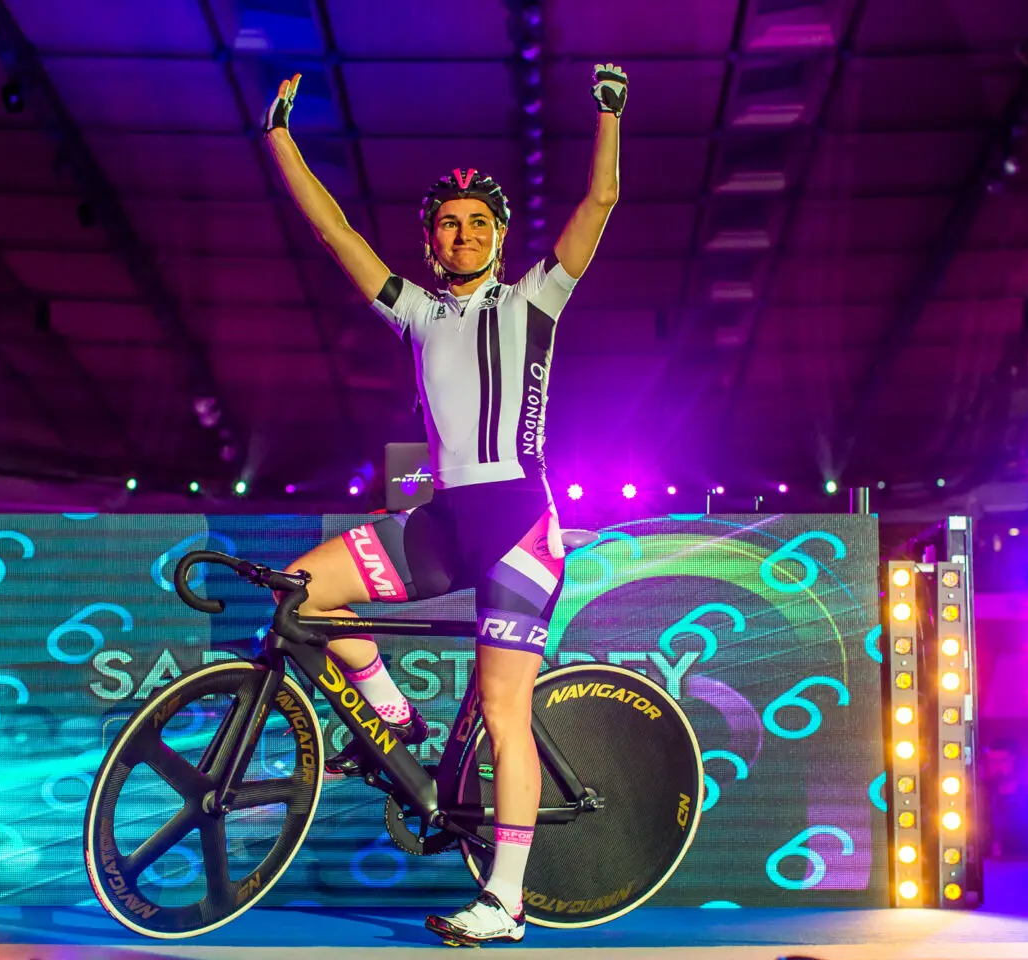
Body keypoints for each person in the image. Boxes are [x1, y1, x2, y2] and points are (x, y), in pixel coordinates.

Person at [261, 63, 627, 945]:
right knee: (302, 594)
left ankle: (505, 901)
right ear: (432, 241)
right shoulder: (417, 311)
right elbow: (333, 229)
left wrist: (609, 115)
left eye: (478, 223)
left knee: (504, 713)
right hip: (444, 521)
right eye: (449, 224)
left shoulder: (536, 296)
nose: (464, 235)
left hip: (518, 527)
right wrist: (278, 138)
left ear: (498, 235)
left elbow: (601, 202)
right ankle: (392, 714)